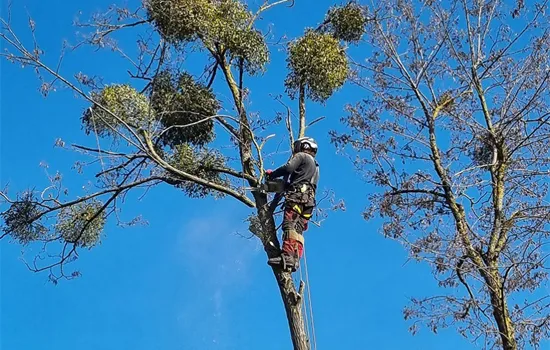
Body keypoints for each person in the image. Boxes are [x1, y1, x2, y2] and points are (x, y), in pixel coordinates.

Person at [265, 136, 320, 272]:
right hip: (309, 202)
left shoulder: (302, 156)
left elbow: (288, 168)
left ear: (304, 146)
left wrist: (273, 175)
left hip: (297, 197)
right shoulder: (315, 167)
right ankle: (294, 259)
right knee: (298, 231)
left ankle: (287, 255)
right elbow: (299, 182)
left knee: (289, 225)